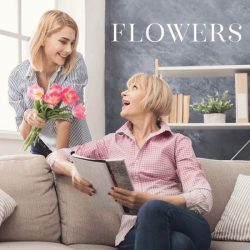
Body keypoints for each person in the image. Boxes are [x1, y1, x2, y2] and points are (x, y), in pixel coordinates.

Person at [46, 73, 213, 250]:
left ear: (152, 98)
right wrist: (73, 170)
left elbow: (203, 198)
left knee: (152, 208)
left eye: (133, 88)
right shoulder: (110, 142)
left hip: (185, 222)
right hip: (135, 231)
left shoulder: (177, 142)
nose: (123, 93)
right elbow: (55, 156)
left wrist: (150, 200)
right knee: (180, 244)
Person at [8, 10, 91, 157]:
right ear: (43, 38)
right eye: (63, 41)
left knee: (65, 179)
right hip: (40, 146)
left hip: (74, 147)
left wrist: (60, 160)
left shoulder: (75, 63)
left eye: (72, 43)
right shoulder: (17, 76)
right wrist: (28, 116)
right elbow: (26, 136)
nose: (69, 50)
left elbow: (64, 118)